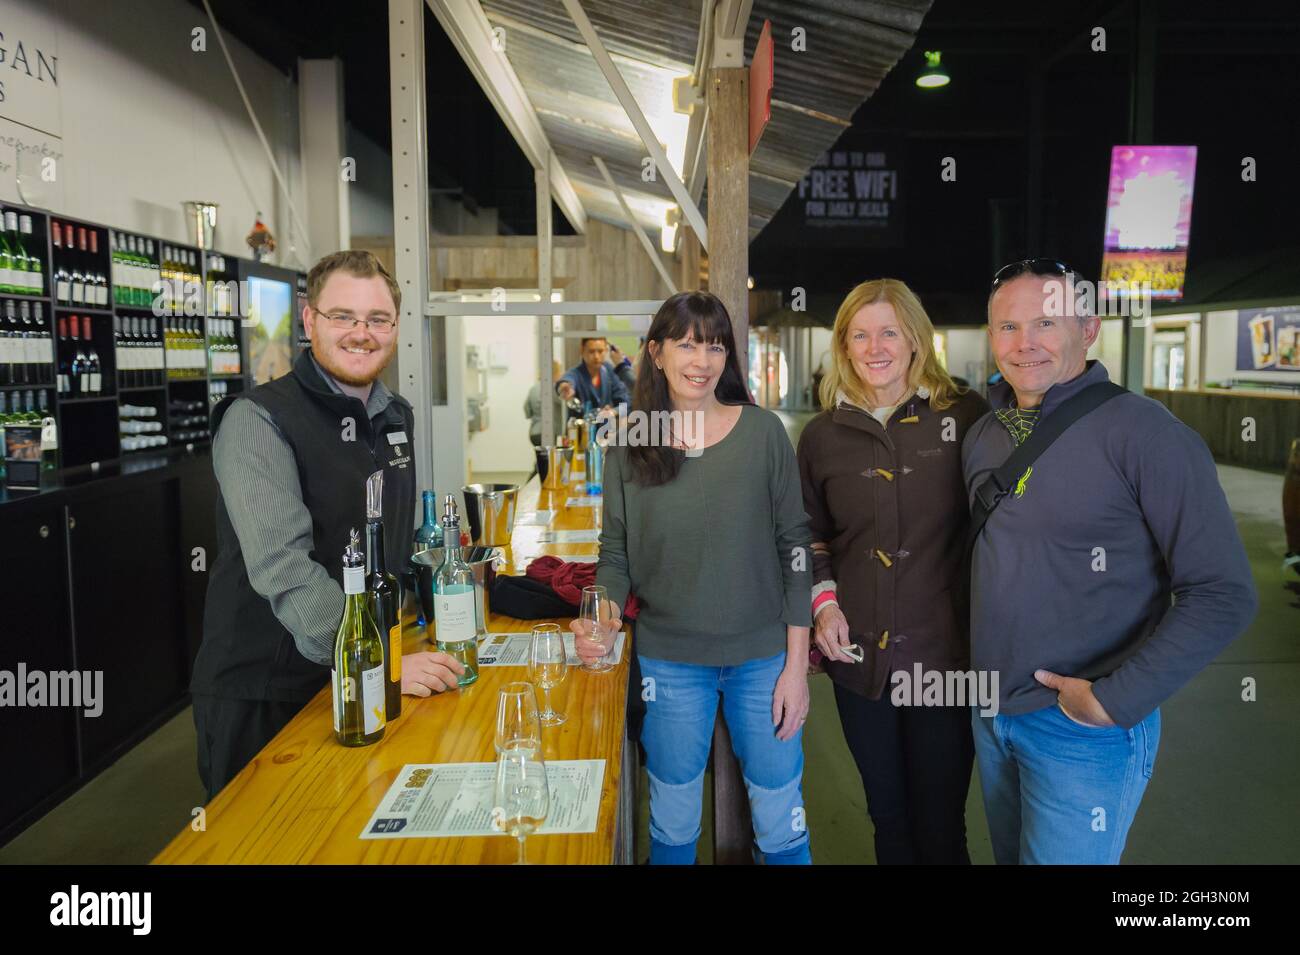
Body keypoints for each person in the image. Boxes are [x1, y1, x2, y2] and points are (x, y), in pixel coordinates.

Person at [962, 258, 1257, 864]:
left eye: (1046, 322)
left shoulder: (1147, 434)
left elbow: (1223, 592)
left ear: (1089, 328)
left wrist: (1112, 702)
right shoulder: (983, 435)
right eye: (1007, 327)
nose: (1025, 344)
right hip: (992, 715)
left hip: (1082, 730)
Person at [190, 250, 465, 801]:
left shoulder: (395, 415)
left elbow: (386, 543)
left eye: (377, 319)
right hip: (269, 690)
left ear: (394, 327)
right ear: (310, 319)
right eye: (343, 316)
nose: (361, 333)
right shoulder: (258, 420)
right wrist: (381, 663)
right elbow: (283, 566)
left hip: (367, 672)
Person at [571, 291, 813, 864]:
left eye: (714, 345)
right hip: (670, 664)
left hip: (764, 660)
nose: (701, 360)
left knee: (781, 823)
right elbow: (615, 558)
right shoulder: (630, 443)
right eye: (686, 344)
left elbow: (795, 550)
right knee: (673, 824)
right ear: (655, 353)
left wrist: (797, 668)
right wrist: (599, 619)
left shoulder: (763, 435)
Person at [797, 279, 989, 864]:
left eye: (888, 331)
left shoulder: (966, 415)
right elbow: (806, 533)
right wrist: (823, 602)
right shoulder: (823, 434)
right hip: (861, 659)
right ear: (844, 345)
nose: (874, 346)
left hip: (946, 656)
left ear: (915, 339)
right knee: (888, 817)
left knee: (941, 825)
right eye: (860, 334)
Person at [556, 336, 631, 412]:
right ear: (582, 351)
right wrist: (564, 386)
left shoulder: (610, 371)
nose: (596, 356)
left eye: (600, 351)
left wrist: (614, 411)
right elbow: (568, 379)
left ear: (606, 350)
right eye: (591, 351)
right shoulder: (576, 373)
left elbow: (625, 402)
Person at [525, 361, 566, 448]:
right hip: (552, 433)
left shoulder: (533, 389)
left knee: (541, 458)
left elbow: (527, 413)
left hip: (534, 433)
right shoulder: (555, 388)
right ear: (556, 373)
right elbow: (565, 407)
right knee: (550, 459)